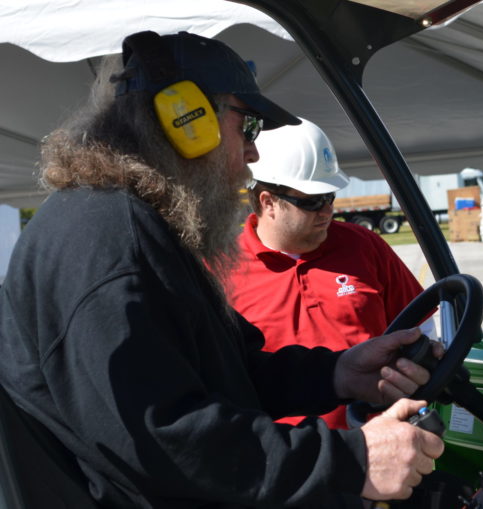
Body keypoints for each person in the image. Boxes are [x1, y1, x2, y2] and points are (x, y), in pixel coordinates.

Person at [0, 30, 444, 508]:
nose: (253, 154)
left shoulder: (134, 227)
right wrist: (351, 459)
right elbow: (163, 440)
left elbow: (230, 372)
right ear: (184, 119)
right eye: (247, 127)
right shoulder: (108, 239)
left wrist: (337, 373)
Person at [223, 119, 436, 429]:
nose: (327, 211)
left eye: (330, 197)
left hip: (380, 443)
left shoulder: (365, 246)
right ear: (268, 202)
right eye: (311, 201)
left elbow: (424, 328)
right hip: (287, 458)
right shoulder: (220, 267)